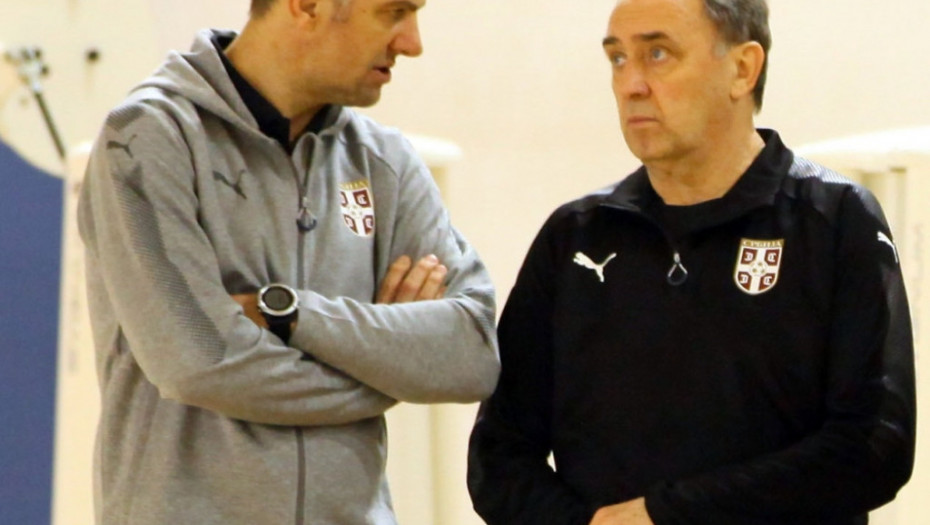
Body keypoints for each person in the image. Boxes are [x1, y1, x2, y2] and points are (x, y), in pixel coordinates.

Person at [467, 0, 916, 523]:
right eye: (617, 59)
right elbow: (498, 456)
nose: (631, 84)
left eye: (657, 54)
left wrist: (669, 514)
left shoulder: (834, 220)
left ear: (743, 69)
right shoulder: (576, 236)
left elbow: (874, 444)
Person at [77, 0, 500, 523]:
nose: (412, 43)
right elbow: (200, 362)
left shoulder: (385, 162)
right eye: (393, 12)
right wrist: (386, 370)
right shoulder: (146, 137)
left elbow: (471, 354)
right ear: (307, 6)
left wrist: (288, 313)